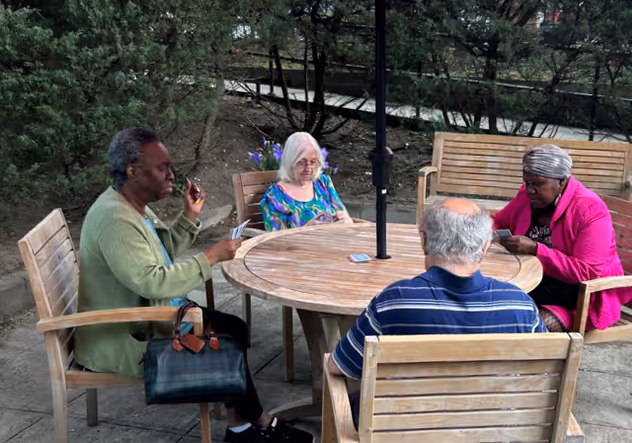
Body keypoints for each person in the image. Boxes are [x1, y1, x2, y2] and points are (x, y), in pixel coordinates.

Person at [74, 128, 313, 443]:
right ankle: (260, 423)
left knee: (234, 329)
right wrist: (210, 258)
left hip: (152, 314)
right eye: (162, 168)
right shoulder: (115, 219)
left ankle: (241, 427)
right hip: (123, 335)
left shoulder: (130, 206)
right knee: (227, 337)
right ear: (133, 171)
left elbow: (159, 254)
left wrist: (189, 215)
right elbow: (152, 281)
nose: (171, 175)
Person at [327, 199, 546, 426]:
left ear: (423, 241)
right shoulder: (521, 306)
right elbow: (543, 376)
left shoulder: (395, 302)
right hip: (493, 430)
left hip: (405, 431)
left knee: (353, 400)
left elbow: (339, 366)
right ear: (485, 246)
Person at [493, 143, 632, 333]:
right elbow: (498, 221)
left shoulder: (589, 209)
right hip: (537, 280)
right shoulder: (527, 196)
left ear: (561, 181)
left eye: (538, 184)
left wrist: (536, 249)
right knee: (492, 300)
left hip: (581, 297)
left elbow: (587, 273)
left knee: (519, 320)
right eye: (528, 183)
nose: (530, 190)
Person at [261, 131, 353, 230]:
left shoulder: (323, 183)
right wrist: (306, 229)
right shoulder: (275, 196)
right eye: (301, 163)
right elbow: (275, 240)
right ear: (290, 162)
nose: (308, 168)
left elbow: (344, 217)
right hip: (300, 245)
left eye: (312, 162)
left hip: (335, 241)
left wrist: (347, 221)